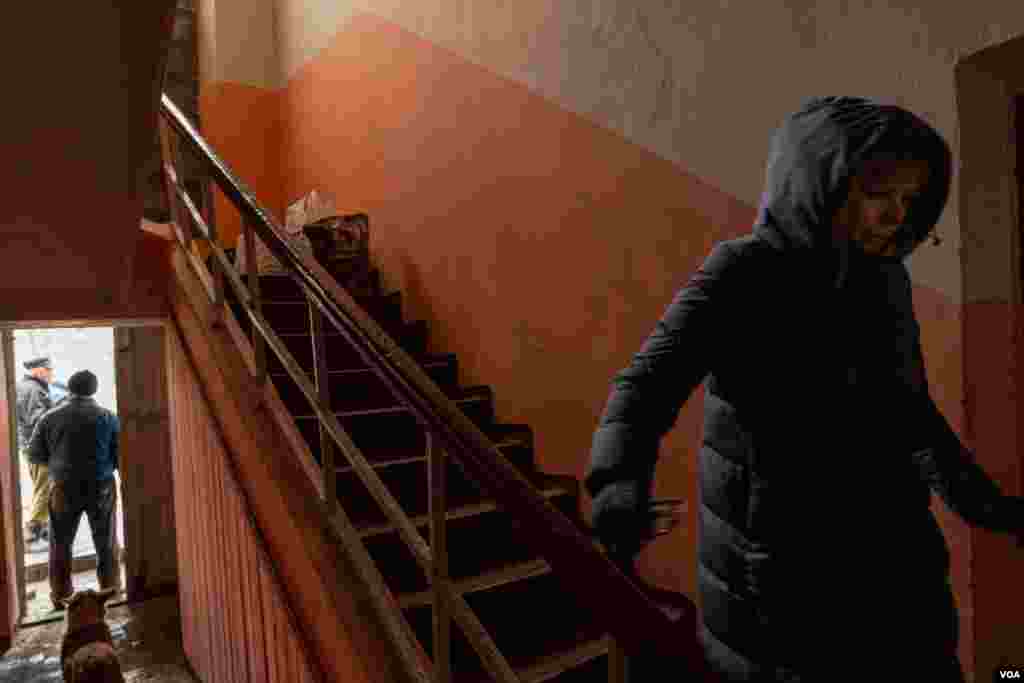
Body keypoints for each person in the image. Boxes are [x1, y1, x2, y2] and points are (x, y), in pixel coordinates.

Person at [585, 96, 1024, 682]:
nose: (896, 215)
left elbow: (910, 413)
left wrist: (989, 508)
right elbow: (644, 388)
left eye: (909, 199)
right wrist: (617, 485)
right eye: (878, 194)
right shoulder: (744, 273)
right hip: (785, 594)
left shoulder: (886, 280)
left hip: (898, 570)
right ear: (820, 181)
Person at [27, 370, 121, 610]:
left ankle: (60, 597)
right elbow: (119, 455)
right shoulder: (108, 418)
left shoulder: (50, 418)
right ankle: (110, 593)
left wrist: (61, 463)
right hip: (101, 486)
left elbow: (35, 454)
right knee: (106, 542)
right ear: (94, 390)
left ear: (69, 388)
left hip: (64, 487)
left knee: (60, 543)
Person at [16, 356, 55, 543]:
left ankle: (45, 526)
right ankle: (33, 528)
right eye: (49, 370)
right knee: (45, 486)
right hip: (38, 447)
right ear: (38, 370)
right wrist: (58, 411)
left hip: (30, 445)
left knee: (41, 485)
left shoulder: (26, 387)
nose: (51, 374)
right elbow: (37, 419)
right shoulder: (33, 389)